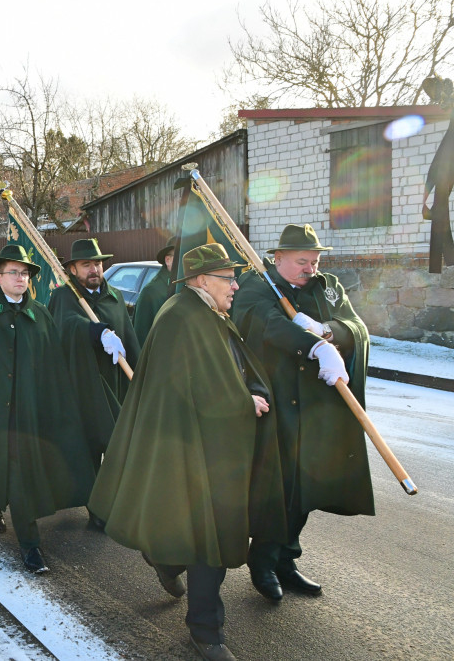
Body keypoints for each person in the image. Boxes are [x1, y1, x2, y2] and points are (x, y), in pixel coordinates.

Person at [88, 243, 286, 661]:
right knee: (207, 542)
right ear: (201, 280)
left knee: (201, 535)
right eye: (227, 278)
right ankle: (205, 631)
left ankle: (166, 559)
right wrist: (242, 402)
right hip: (191, 450)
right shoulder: (182, 317)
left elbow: (227, 367)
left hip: (213, 447)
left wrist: (252, 389)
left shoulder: (206, 313)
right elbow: (185, 388)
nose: (235, 286)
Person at [230, 223, 373, 602]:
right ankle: (262, 560)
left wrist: (329, 330)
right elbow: (267, 324)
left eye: (315, 261)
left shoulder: (327, 286)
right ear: (278, 258)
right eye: (301, 261)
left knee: (306, 485)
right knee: (278, 487)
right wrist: (313, 345)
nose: (310, 269)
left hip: (316, 405)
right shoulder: (257, 285)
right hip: (276, 401)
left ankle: (285, 560)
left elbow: (356, 326)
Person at [0, 244, 96, 574]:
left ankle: (29, 542)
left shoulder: (42, 316)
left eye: (25, 273)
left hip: (30, 414)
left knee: (22, 475)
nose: (21, 278)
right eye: (14, 272)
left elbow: (53, 367)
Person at [47, 239, 140, 493]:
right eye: (86, 264)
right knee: (88, 448)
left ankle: (109, 498)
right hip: (82, 386)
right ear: (73, 269)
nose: (94, 270)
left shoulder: (114, 296)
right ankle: (94, 502)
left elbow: (129, 336)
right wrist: (96, 331)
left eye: (98, 264)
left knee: (117, 445)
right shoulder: (64, 296)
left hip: (113, 384)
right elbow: (65, 324)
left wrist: (141, 375)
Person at [133, 236, 176, 347]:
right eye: (180, 256)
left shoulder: (187, 285)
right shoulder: (151, 292)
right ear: (168, 260)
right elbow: (141, 338)